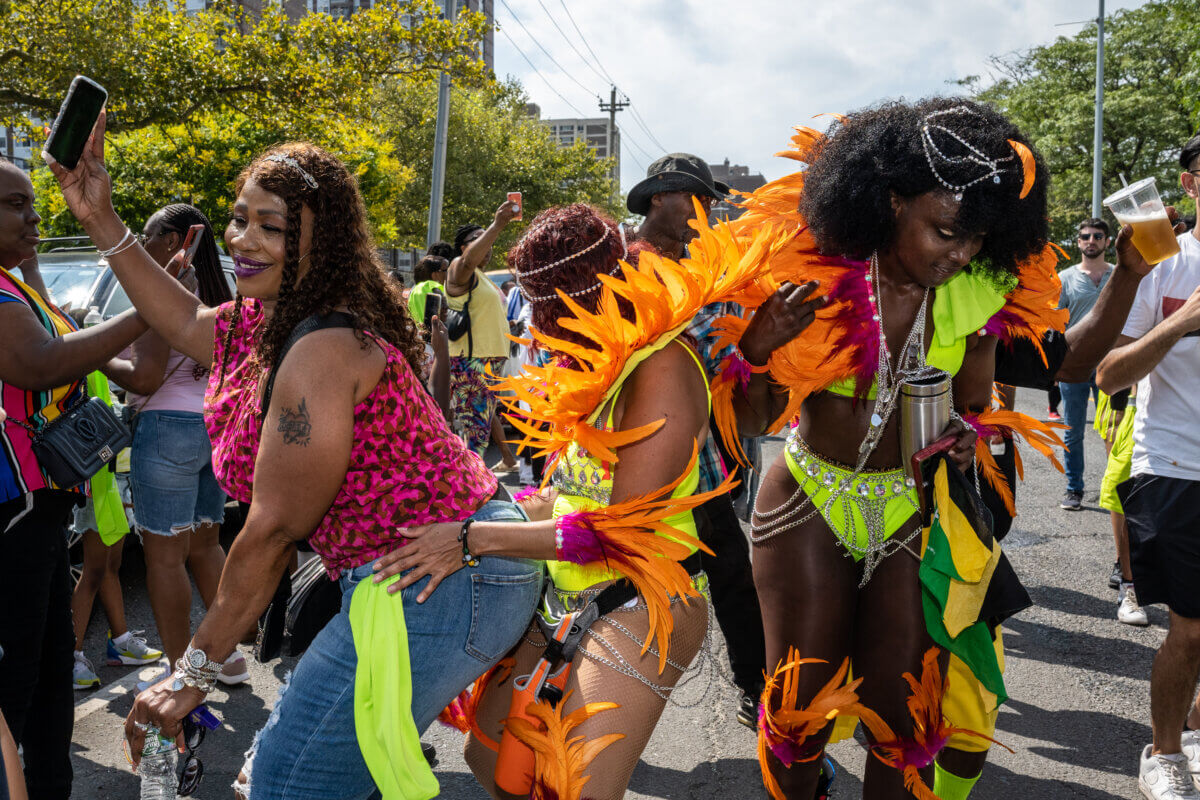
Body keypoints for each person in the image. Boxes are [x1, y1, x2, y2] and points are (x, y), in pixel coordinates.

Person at [45, 122, 543, 799]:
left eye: (270, 227)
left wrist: (190, 675)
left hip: (448, 578)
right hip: (412, 574)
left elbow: (273, 533)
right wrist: (101, 220)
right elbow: (187, 322)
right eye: (239, 219)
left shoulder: (322, 347)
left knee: (288, 782)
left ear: (317, 242)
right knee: (307, 777)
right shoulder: (270, 317)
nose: (242, 239)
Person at [372, 201, 813, 800]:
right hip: (562, 597)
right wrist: (476, 508)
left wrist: (471, 539)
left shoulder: (660, 365)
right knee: (492, 759)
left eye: (550, 310)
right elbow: (568, 491)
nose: (536, 329)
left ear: (591, 296)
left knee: (572, 790)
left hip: (639, 604)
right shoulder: (592, 362)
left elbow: (616, 529)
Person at [719, 100, 1062, 799]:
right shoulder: (815, 279)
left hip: (911, 506)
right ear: (892, 200)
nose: (958, 253)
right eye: (943, 232)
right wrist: (756, 348)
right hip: (810, 497)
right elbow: (751, 421)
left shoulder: (974, 294)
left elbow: (974, 406)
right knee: (800, 708)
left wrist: (969, 436)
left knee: (906, 713)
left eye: (975, 239)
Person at [0, 156, 151, 799]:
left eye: (33, 203)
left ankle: (49, 785)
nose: (34, 217)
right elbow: (40, 362)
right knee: (19, 673)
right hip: (15, 514)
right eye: (16, 204)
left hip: (44, 508)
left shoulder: (16, 285)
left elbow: (64, 337)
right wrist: (150, 306)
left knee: (51, 669)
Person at [626, 153, 770, 728]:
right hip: (645, 460)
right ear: (661, 195)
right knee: (633, 581)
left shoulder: (704, 267)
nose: (706, 213)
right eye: (698, 199)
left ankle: (757, 690)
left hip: (703, 458)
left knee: (732, 572)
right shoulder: (627, 265)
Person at [1097, 132, 1200, 800]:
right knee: (1190, 631)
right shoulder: (1163, 262)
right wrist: (1181, 322)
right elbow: (1107, 374)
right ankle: (1164, 755)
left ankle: (1193, 732)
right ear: (1190, 183)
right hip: (1175, 462)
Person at [101, 204, 243, 685]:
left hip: (165, 428)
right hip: (212, 427)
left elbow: (144, 376)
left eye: (148, 235)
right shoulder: (220, 291)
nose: (142, 244)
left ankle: (183, 668)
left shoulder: (166, 292)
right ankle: (230, 658)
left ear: (177, 240)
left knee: (164, 557)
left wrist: (95, 356)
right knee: (206, 546)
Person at [1056, 218, 1114, 511]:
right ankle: (1073, 490)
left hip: (1112, 363)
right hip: (1075, 365)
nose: (1091, 240)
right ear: (1078, 242)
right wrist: (1053, 366)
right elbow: (1054, 322)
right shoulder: (1064, 278)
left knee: (1114, 429)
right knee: (1073, 431)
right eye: (1085, 236)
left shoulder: (1119, 276)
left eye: (1097, 236)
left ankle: (1117, 488)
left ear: (1107, 241)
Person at [406, 253, 447, 325]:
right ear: (435, 274)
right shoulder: (431, 290)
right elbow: (430, 325)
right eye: (445, 270)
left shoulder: (416, 289)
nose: (448, 273)